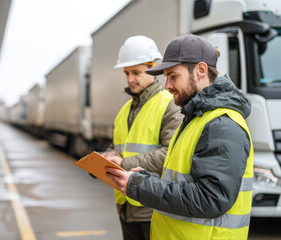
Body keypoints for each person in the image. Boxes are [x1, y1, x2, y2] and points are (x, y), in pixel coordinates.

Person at [105, 34, 253, 240]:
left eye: (173, 76)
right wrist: (146, 179)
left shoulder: (222, 125)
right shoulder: (196, 117)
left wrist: (142, 186)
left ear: (201, 70)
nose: (167, 86)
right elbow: (182, 179)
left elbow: (211, 198)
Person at [100, 35, 182, 240]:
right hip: (126, 205)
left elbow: (172, 154)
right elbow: (118, 147)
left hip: (152, 207)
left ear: (153, 68)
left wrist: (123, 162)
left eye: (136, 72)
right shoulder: (124, 110)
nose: (130, 79)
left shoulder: (170, 104)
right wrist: (107, 157)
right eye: (126, 73)